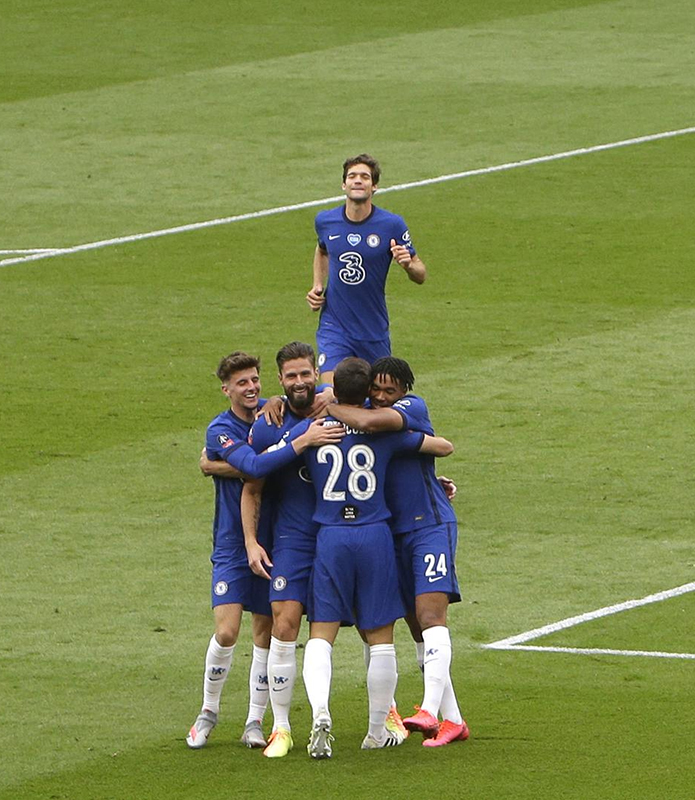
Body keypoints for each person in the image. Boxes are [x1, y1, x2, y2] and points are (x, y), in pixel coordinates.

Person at [296, 358, 454, 758]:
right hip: (375, 536)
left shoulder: (311, 430)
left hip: (330, 536)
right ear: (367, 391)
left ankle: (319, 713)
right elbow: (439, 446)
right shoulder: (385, 435)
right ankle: (376, 731)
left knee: (321, 634)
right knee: (382, 638)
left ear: (335, 390)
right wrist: (434, 475)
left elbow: (268, 462)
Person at [187, 351, 340, 749]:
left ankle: (255, 720)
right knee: (226, 631)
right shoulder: (220, 430)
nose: (252, 388)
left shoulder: (274, 415)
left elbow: (316, 393)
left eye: (255, 380)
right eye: (242, 383)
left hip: (272, 538)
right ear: (226, 390)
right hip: (232, 541)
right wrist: (300, 441)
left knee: (264, 632)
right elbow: (254, 467)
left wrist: (216, 467)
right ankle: (208, 711)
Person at [306, 153, 428, 383]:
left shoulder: (391, 225)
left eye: (365, 177)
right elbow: (322, 250)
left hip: (372, 330)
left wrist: (408, 265)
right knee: (332, 393)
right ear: (344, 184)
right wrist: (317, 285)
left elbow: (421, 274)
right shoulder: (325, 221)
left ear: (374, 186)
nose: (358, 180)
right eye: (352, 176)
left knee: (377, 395)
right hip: (334, 326)